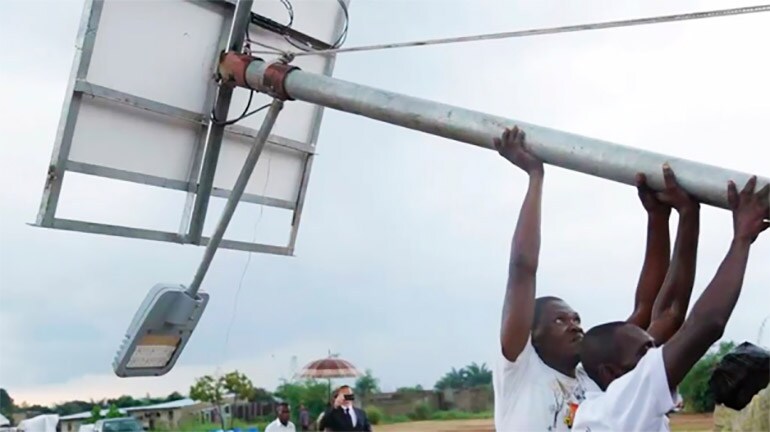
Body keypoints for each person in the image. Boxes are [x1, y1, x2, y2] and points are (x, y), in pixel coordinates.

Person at [492, 126, 701, 431]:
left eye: (575, 317)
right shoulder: (520, 369)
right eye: (559, 320)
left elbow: (650, 310)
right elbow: (522, 270)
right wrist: (535, 176)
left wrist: (658, 219)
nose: (575, 324)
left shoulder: (593, 376)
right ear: (531, 334)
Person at [573, 177, 770, 432]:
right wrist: (742, 238)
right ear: (610, 373)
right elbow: (707, 324)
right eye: (644, 353)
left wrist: (686, 214)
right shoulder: (614, 411)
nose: (657, 353)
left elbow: (670, 313)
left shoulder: (601, 396)